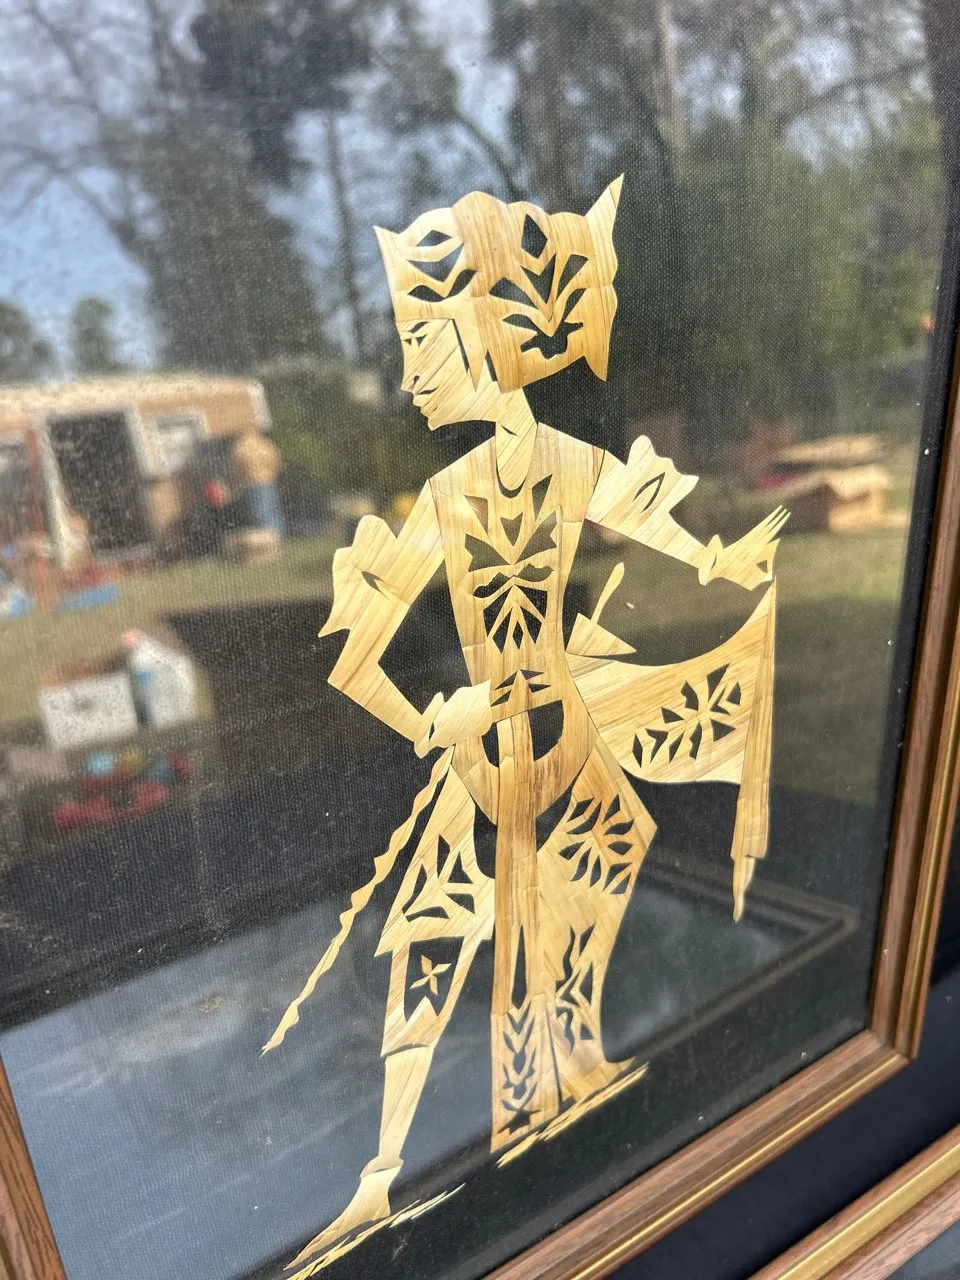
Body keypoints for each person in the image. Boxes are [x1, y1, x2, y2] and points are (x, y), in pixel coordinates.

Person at [265, 178, 788, 1275]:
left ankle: (563, 1080)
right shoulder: (445, 498)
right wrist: (434, 718)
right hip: (488, 753)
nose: (409, 376)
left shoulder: (560, 467)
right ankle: (379, 1177)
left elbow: (659, 525)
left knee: (603, 855)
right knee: (435, 933)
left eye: (422, 345)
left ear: (481, 343)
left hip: (565, 737)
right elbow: (355, 662)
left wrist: (723, 559)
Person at [229, 423, 284, 537]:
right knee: (273, 511)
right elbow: (276, 460)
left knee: (259, 514)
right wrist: (273, 475)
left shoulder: (241, 447)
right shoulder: (265, 444)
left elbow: (235, 468)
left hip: (251, 484)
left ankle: (267, 540)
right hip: (268, 482)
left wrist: (237, 483)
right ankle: (278, 537)